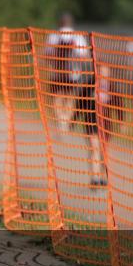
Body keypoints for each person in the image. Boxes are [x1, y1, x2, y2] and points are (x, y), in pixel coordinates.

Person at [43, 13, 104, 186]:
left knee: (56, 99)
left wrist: (54, 63)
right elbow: (84, 55)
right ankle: (65, 122)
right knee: (69, 99)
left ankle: (61, 124)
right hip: (73, 73)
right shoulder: (76, 36)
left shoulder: (54, 36)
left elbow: (47, 54)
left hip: (57, 73)